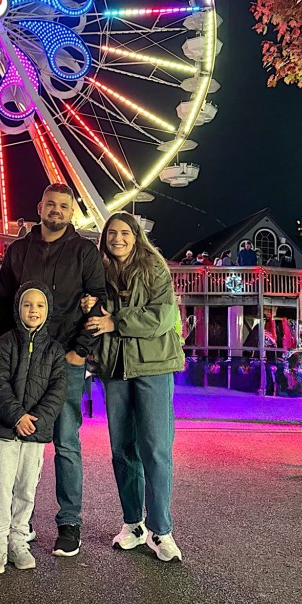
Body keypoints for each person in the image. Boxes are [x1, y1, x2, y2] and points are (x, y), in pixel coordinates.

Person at [0, 182, 106, 558]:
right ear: (39, 207)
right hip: (23, 358)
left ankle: (69, 522)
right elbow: (4, 304)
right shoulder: (18, 251)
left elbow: (99, 301)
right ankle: (15, 524)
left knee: (66, 441)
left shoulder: (84, 252)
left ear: (72, 212)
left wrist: (80, 352)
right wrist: (2, 353)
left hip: (65, 359)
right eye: (51, 204)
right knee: (17, 440)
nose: (56, 210)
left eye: (63, 205)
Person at [83, 213, 185, 562]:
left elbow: (162, 315)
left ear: (136, 235)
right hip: (115, 368)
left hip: (154, 365)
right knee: (122, 449)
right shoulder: (99, 271)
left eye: (125, 232)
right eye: (112, 233)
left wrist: (115, 320)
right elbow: (93, 315)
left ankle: (161, 529)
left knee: (156, 449)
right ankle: (133, 523)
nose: (118, 238)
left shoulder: (154, 268)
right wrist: (92, 308)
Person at [0, 282, 67, 574]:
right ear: (18, 308)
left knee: (26, 489)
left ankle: (18, 540)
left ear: (48, 310)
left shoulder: (55, 350)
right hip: (6, 428)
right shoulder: (4, 343)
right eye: (28, 304)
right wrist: (17, 416)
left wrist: (36, 420)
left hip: (35, 433)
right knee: (2, 487)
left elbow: (58, 390)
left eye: (40, 305)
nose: (34, 310)